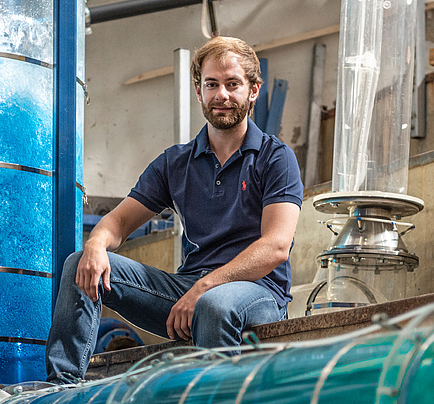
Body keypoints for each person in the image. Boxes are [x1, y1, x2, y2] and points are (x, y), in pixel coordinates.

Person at [45, 36, 304, 384]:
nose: (221, 95)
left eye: (233, 84)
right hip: (189, 291)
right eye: (211, 84)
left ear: (253, 90)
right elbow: (119, 223)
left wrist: (203, 289)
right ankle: (61, 387)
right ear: (199, 91)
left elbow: (275, 247)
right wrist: (95, 245)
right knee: (79, 263)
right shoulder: (175, 163)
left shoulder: (276, 158)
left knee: (215, 304)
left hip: (257, 294)